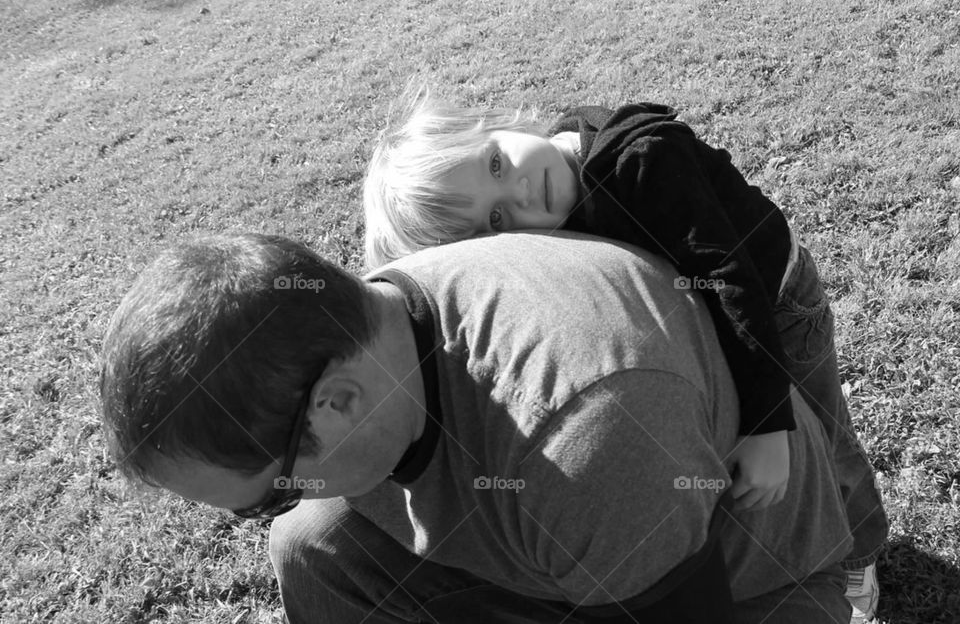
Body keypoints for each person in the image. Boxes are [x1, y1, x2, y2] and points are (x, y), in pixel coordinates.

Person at [101, 231, 861, 623]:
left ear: (334, 403)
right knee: (312, 546)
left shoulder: (583, 434)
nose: (271, 510)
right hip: (576, 554)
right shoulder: (371, 327)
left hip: (745, 588)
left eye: (267, 495)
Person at [362, 91, 887, 620]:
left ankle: (860, 555)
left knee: (826, 432)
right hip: (715, 313)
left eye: (496, 163)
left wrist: (768, 425)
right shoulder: (558, 199)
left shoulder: (643, 162)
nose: (520, 191)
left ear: (496, 124)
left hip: (776, 300)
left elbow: (730, 280)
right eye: (497, 220)